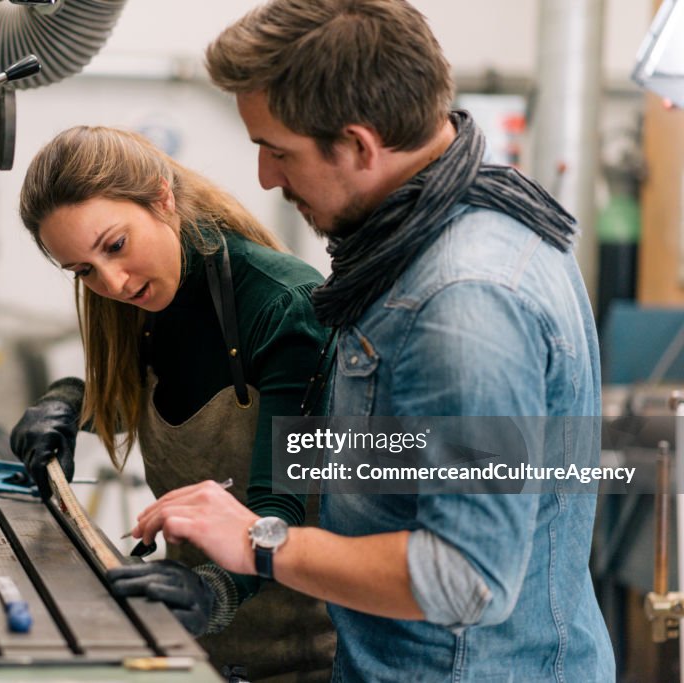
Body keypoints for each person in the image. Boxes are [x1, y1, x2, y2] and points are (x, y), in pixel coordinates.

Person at [127, 1, 616, 681]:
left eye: (278, 150)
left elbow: (465, 576)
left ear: (359, 144)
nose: (267, 176)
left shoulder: (463, 301)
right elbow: (425, 457)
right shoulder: (457, 225)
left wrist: (258, 539)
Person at [10, 125, 336, 681]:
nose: (111, 281)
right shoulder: (143, 302)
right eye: (84, 270)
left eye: (115, 245)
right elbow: (146, 395)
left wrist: (212, 593)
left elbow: (280, 508)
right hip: (189, 647)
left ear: (162, 198)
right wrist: (67, 403)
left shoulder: (283, 307)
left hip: (295, 654)